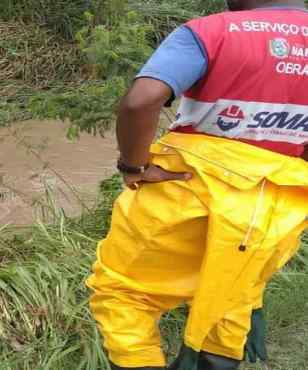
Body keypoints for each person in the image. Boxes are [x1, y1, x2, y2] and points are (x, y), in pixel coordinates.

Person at [85, 1, 308, 369]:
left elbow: (141, 102)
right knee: (232, 294)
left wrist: (134, 166)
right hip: (276, 206)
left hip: (189, 190)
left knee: (124, 295)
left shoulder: (212, 31)